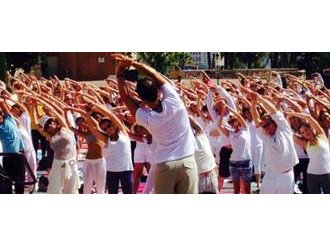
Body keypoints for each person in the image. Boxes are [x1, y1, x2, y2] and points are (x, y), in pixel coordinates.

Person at [113, 54, 198, 194]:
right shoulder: (174, 100)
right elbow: (154, 73)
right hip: (187, 161)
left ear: (141, 98)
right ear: (158, 91)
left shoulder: (146, 118)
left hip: (165, 165)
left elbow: (125, 98)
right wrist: (133, 63)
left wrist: (120, 74)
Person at [250, 91, 298, 194]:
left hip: (286, 176)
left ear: (274, 123)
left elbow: (274, 110)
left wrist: (260, 98)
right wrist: (253, 105)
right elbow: (257, 122)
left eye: (267, 125)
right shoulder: (265, 136)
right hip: (270, 175)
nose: (265, 128)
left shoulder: (284, 129)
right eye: (264, 126)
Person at [30, 96, 80, 194]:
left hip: (71, 163)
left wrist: (43, 100)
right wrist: (33, 107)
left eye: (50, 122)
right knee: (54, 191)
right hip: (57, 164)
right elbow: (37, 125)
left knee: (71, 191)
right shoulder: (50, 136)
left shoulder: (65, 128)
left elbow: (54, 110)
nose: (48, 126)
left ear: (55, 122)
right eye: (46, 126)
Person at [87, 101, 134, 194]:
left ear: (113, 124)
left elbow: (110, 115)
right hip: (111, 172)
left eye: (109, 126)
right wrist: (87, 115)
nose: (108, 129)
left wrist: (95, 105)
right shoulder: (105, 139)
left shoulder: (123, 132)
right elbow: (92, 128)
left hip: (126, 171)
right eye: (104, 129)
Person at [64, 107, 106, 194]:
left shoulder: (99, 129)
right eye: (79, 124)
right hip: (88, 161)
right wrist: (65, 113)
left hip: (100, 161)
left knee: (100, 188)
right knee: (86, 187)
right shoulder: (85, 134)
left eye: (82, 122)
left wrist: (72, 108)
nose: (81, 124)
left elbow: (90, 118)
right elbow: (70, 127)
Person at [286, 112, 330, 193]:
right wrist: (287, 119)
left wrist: (292, 113)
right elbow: (288, 133)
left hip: (327, 175)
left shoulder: (322, 136)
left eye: (306, 130)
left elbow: (308, 117)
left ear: (311, 128)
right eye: (302, 133)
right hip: (311, 175)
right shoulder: (305, 143)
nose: (305, 133)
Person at [217, 103, 252, 194]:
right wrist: (222, 113)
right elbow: (219, 125)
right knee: (236, 190)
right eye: (231, 122)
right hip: (233, 163)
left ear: (238, 121)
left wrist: (228, 107)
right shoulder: (230, 133)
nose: (232, 123)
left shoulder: (245, 129)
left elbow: (238, 115)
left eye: (234, 121)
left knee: (247, 190)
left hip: (245, 162)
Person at [0, 98, 25, 194]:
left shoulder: (9, 119)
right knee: (7, 183)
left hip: (19, 155)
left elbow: (2, 102)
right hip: (7, 157)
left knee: (20, 183)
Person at [189, 117, 219, 193]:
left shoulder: (201, 134)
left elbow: (194, 123)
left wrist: (184, 112)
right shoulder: (185, 142)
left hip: (211, 174)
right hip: (198, 177)